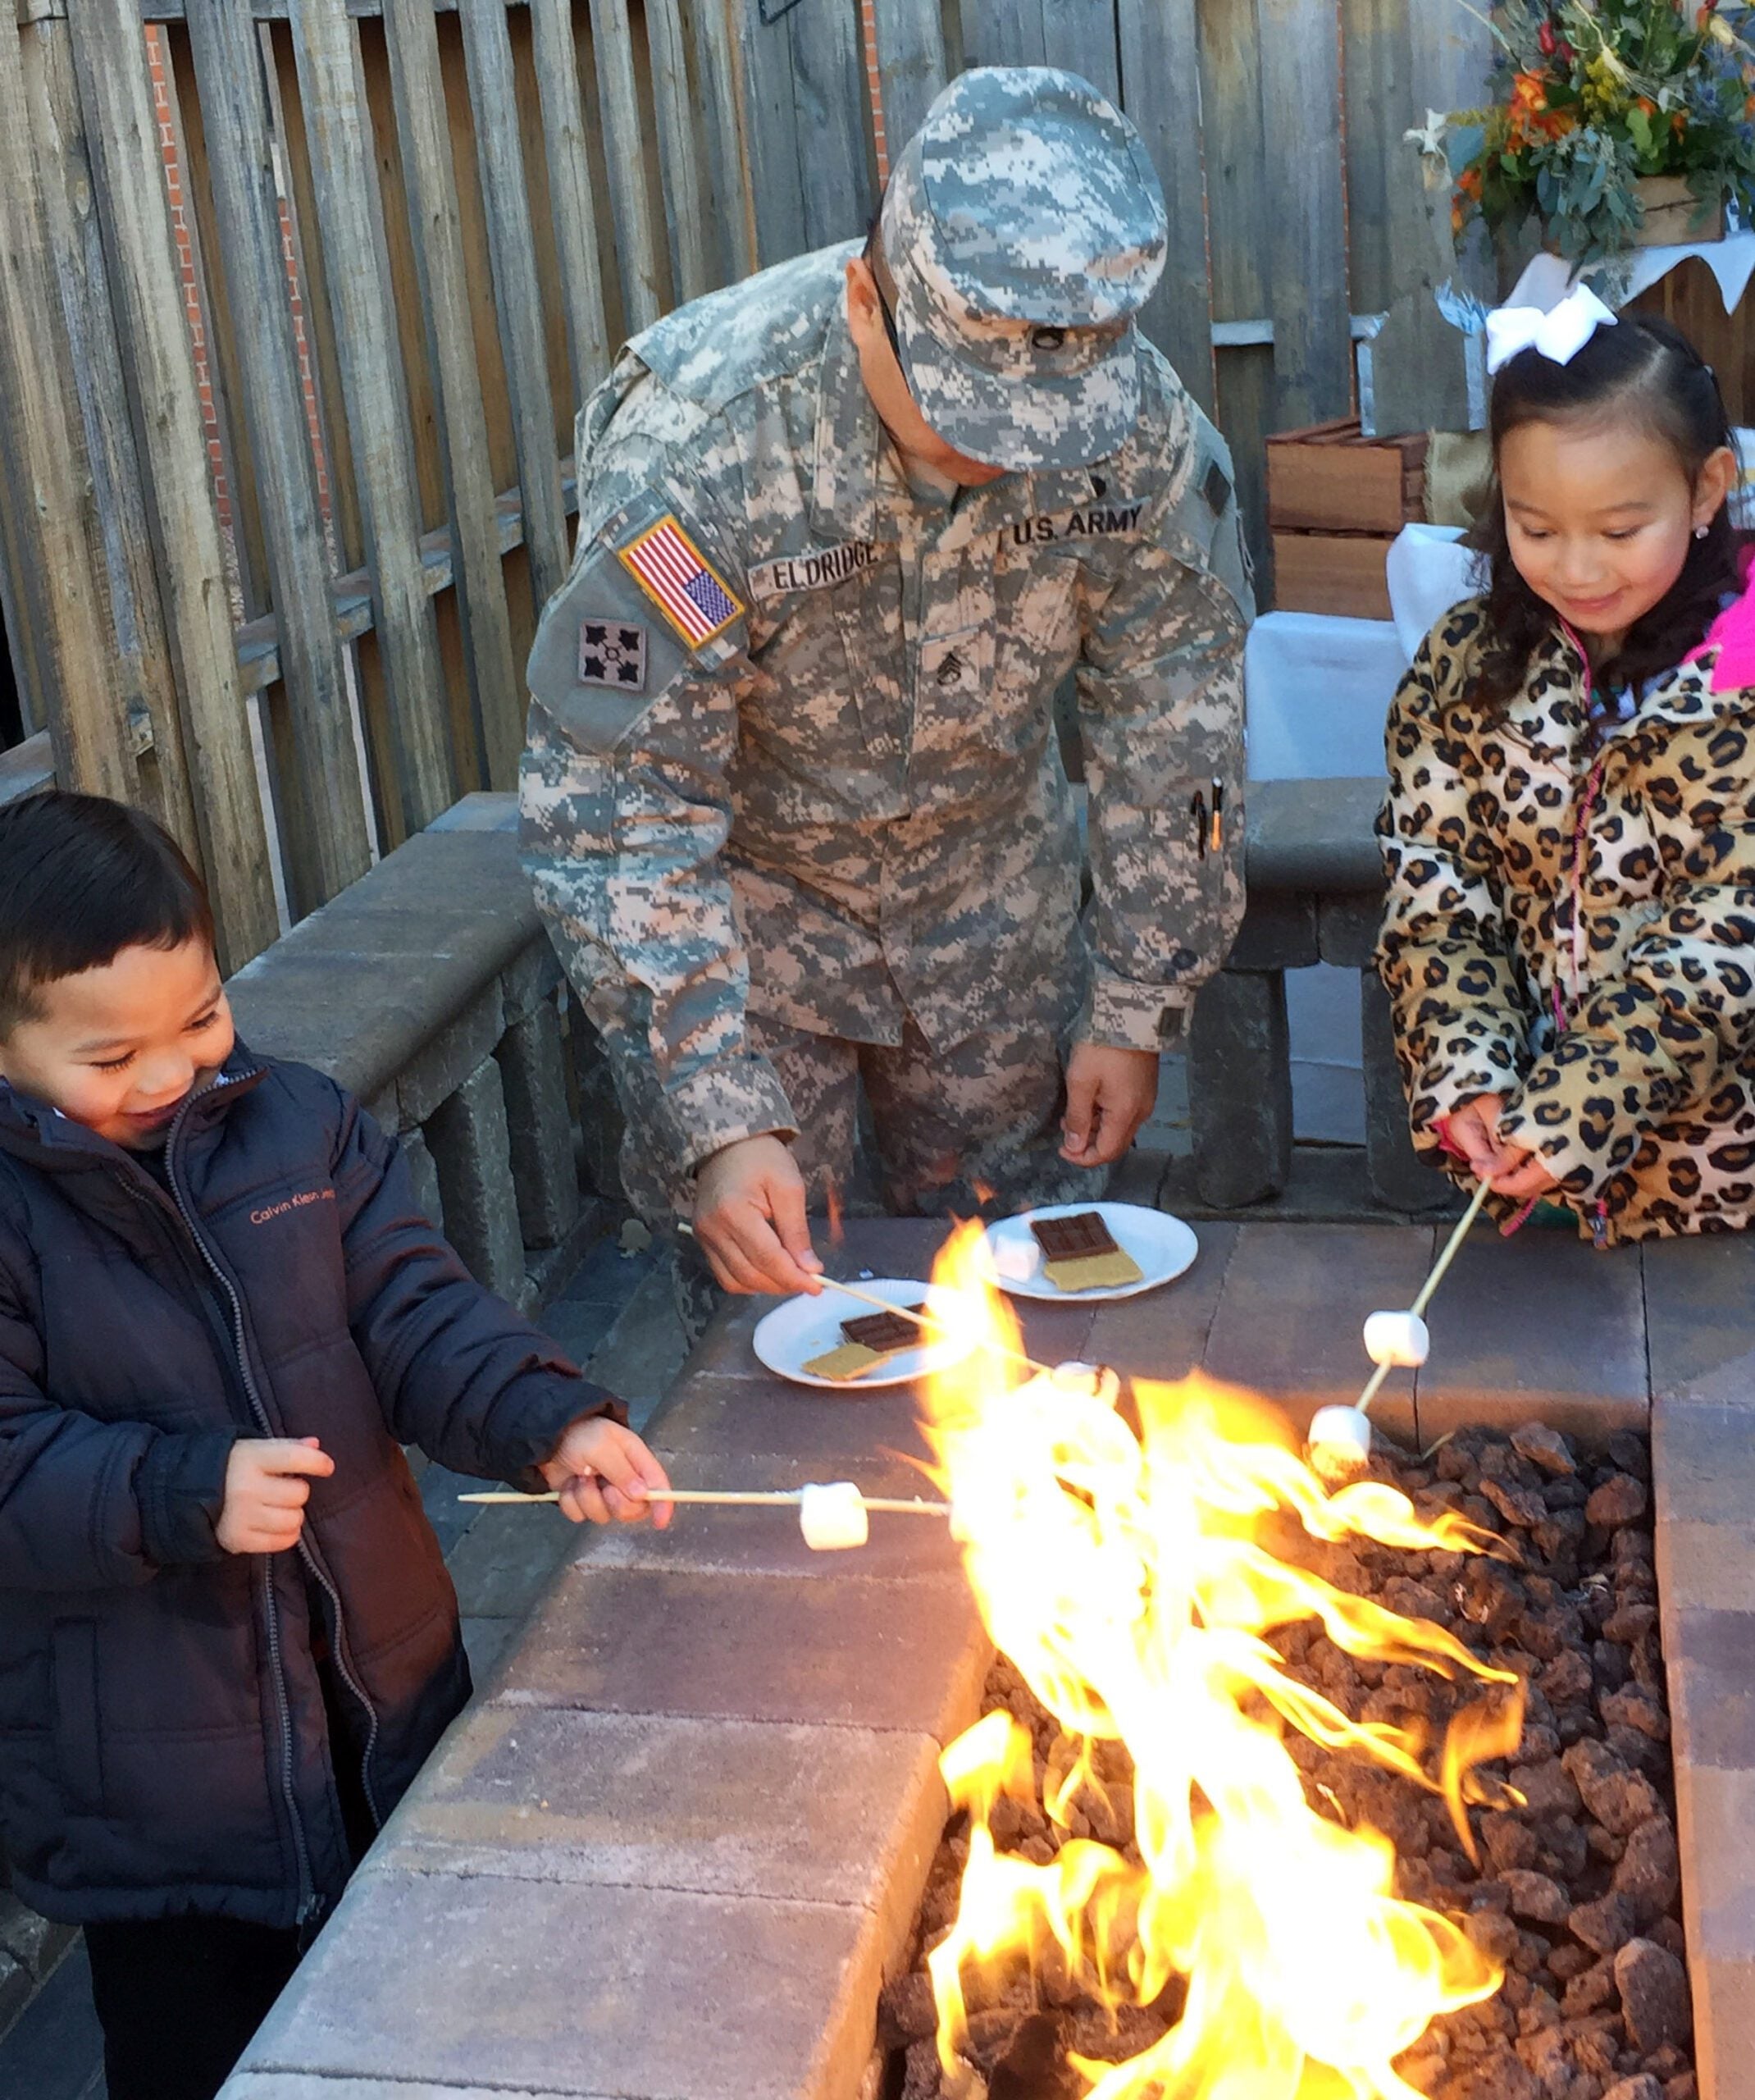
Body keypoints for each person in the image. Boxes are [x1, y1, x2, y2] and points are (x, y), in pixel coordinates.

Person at [520, 66, 1249, 1329]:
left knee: (1025, 1294)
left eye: (1045, 423)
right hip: (749, 933)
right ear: (868, 298)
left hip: (994, 913)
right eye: (967, 414)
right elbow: (619, 796)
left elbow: (1178, 730)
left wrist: (1137, 1000)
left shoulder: (1144, 434)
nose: (1008, 452)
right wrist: (716, 1110)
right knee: (783, 1327)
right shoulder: (707, 448)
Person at [0, 792, 673, 2100]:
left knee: (433, 2022)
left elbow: (416, 1313)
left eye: (197, 1020)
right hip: (162, 1809)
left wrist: (553, 1418)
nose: (166, 1076)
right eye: (108, 1055)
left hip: (387, 1703)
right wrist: (172, 1491)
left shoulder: (295, 1127)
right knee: (213, 2063)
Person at [1376, 285, 1755, 1242]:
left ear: (1707, 487)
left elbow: (1726, 941)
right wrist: (1467, 1075)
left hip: (1720, 1192)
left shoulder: (1741, 678)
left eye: (1620, 531)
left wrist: (1577, 1108)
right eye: (1536, 528)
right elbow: (1437, 887)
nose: (1578, 569)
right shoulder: (1467, 664)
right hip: (1535, 1180)